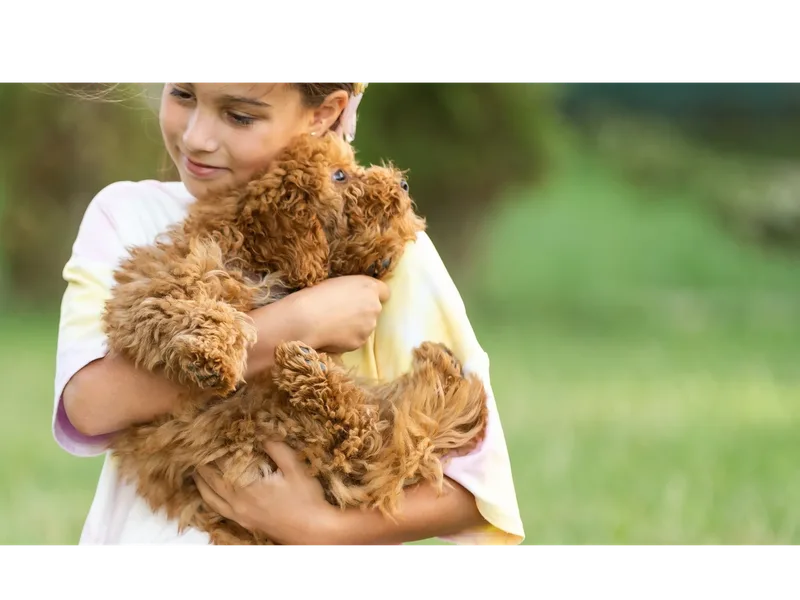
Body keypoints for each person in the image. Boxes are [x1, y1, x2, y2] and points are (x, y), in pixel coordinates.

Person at [53, 80, 525, 552]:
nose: (197, 136)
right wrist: (296, 325)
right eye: (182, 94)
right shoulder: (125, 215)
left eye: (239, 116)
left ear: (325, 113)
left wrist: (322, 527)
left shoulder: (384, 244)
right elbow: (90, 405)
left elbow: (476, 487)